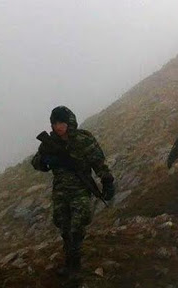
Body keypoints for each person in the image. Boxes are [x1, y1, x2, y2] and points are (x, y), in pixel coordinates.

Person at [31, 106, 115, 284]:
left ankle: (75, 266)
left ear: (69, 122)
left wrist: (107, 180)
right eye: (55, 123)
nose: (58, 127)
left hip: (80, 189)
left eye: (61, 122)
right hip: (60, 191)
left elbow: (98, 161)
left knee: (77, 226)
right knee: (64, 227)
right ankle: (69, 263)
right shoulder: (49, 142)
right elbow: (37, 162)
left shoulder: (83, 139)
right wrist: (45, 161)